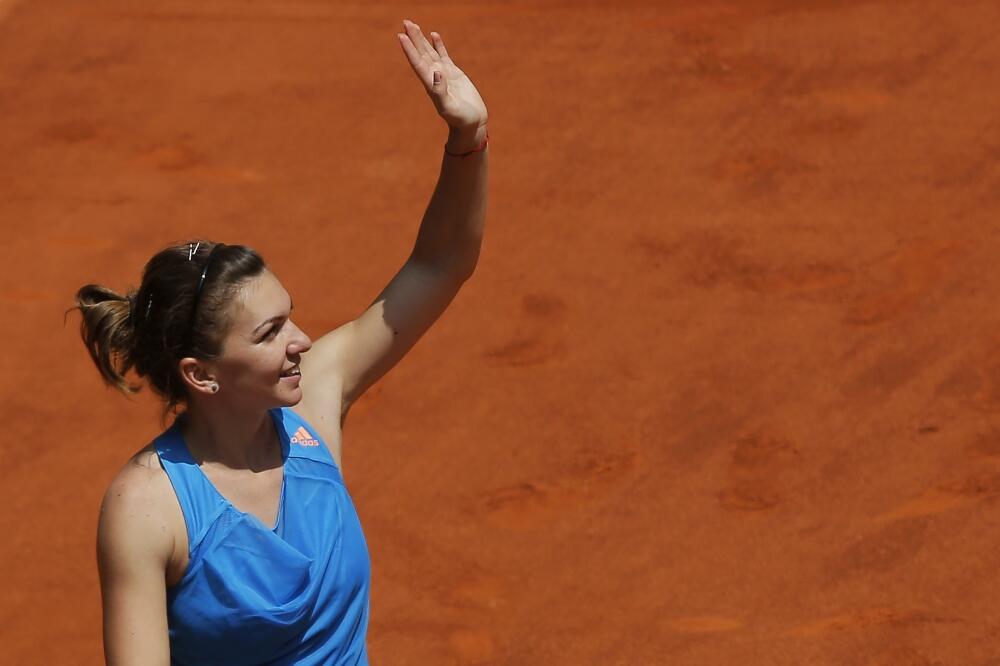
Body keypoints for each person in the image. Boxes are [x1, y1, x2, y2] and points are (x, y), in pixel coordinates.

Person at [72, 19, 488, 665]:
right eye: (270, 333)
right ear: (201, 374)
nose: (303, 341)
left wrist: (468, 139)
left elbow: (440, 264)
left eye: (289, 316)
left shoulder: (314, 401)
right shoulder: (148, 508)